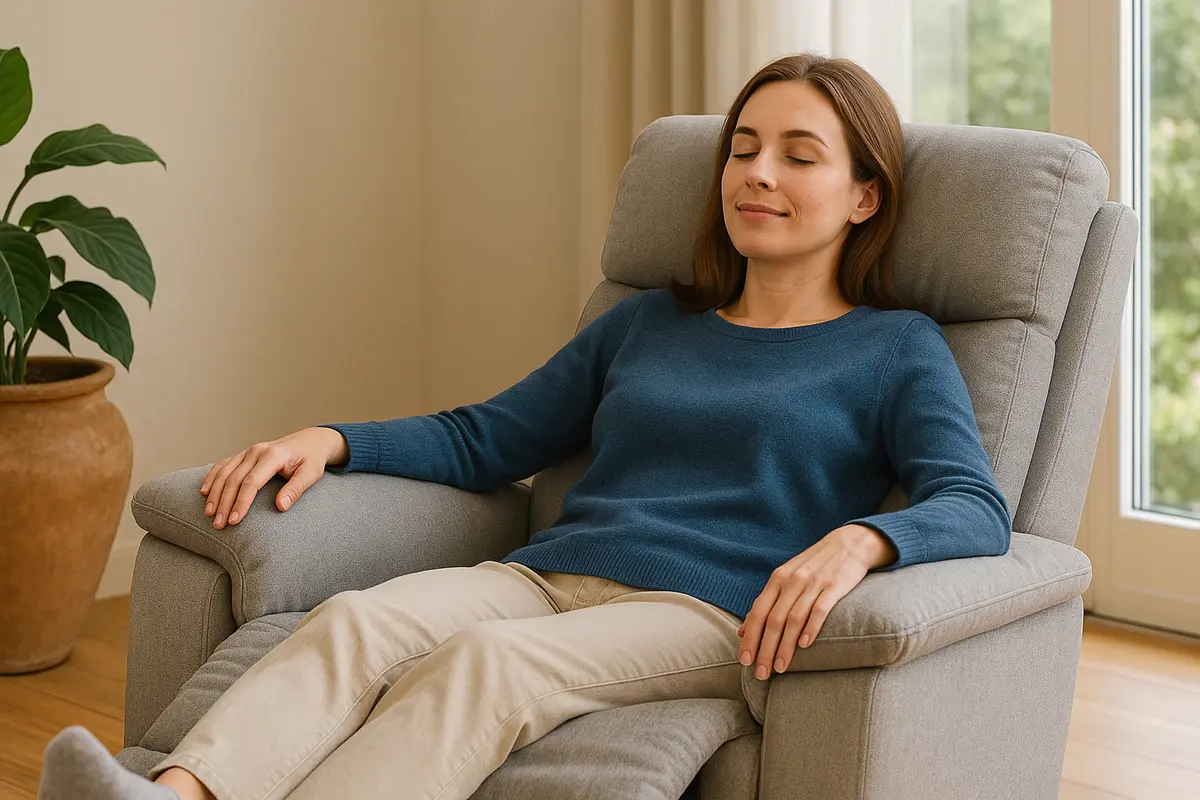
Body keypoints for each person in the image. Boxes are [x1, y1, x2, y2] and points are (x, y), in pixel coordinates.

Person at [38, 51, 1010, 800]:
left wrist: (862, 540)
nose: (758, 173)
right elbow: (489, 436)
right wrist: (334, 440)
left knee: (485, 664)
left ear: (865, 196)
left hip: (710, 613)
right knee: (357, 619)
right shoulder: (649, 322)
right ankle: (173, 794)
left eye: (799, 156)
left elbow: (973, 503)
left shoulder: (896, 347)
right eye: (744, 149)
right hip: (547, 577)